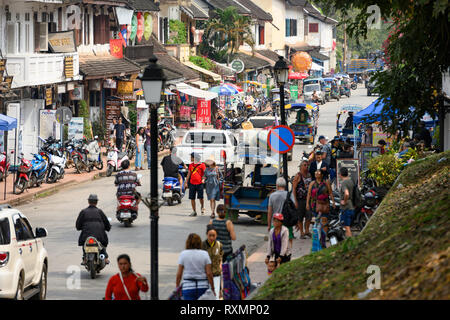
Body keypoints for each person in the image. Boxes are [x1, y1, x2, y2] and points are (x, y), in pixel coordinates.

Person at [176, 233, 215, 300]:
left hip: (188, 287)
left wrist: (177, 288)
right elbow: (209, 273)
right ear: (199, 243)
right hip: (203, 286)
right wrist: (212, 288)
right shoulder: (204, 254)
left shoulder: (183, 254)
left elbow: (179, 274)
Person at [76, 194, 111, 265]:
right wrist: (108, 228)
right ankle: (105, 257)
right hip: (99, 235)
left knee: (84, 244)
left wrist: (80, 228)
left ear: (88, 202)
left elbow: (78, 225)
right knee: (102, 244)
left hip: (86, 235)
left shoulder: (83, 212)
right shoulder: (100, 212)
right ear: (96, 202)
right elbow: (106, 223)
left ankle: (85, 258)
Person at [306, 170, 335, 242]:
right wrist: (307, 203)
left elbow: (330, 192)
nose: (316, 173)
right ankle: (318, 237)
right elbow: (309, 194)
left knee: (324, 221)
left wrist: (333, 202)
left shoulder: (326, 182)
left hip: (324, 204)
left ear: (322, 175)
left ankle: (324, 237)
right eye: (315, 172)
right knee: (317, 221)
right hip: (315, 205)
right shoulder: (312, 183)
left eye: (318, 172)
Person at [268, 177, 296, 250]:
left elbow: (269, 212)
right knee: (288, 240)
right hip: (287, 222)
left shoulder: (272, 196)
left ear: (277, 185)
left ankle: (276, 257)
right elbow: (294, 208)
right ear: (285, 185)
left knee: (274, 243)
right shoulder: (289, 195)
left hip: (275, 223)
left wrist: (268, 225)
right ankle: (287, 254)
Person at [201, 225, 223, 300]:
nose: (211, 238)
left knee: (215, 296)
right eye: (210, 235)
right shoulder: (202, 245)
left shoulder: (219, 245)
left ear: (216, 235)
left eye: (213, 236)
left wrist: (220, 265)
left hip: (216, 275)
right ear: (207, 234)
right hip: (205, 276)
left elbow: (220, 256)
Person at [292, 160, 313, 239]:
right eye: (304, 165)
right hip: (300, 199)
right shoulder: (298, 176)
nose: (306, 166)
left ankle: (307, 230)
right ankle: (302, 232)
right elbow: (294, 189)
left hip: (308, 199)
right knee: (300, 217)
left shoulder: (309, 175)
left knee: (309, 216)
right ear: (300, 167)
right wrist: (295, 201)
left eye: (307, 165)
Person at [185, 153, 206, 217]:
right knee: (192, 198)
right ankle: (194, 211)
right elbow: (189, 174)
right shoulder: (191, 165)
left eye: (191, 157)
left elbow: (205, 173)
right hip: (192, 183)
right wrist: (186, 182)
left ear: (195, 158)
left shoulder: (202, 165)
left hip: (199, 183)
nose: (190, 158)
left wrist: (203, 179)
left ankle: (202, 207)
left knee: (200, 198)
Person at [339, 167, 355, 237]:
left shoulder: (344, 183)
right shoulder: (351, 181)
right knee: (347, 226)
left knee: (347, 227)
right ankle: (347, 243)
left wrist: (344, 201)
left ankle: (351, 244)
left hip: (346, 208)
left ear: (340, 174)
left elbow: (346, 193)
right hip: (351, 206)